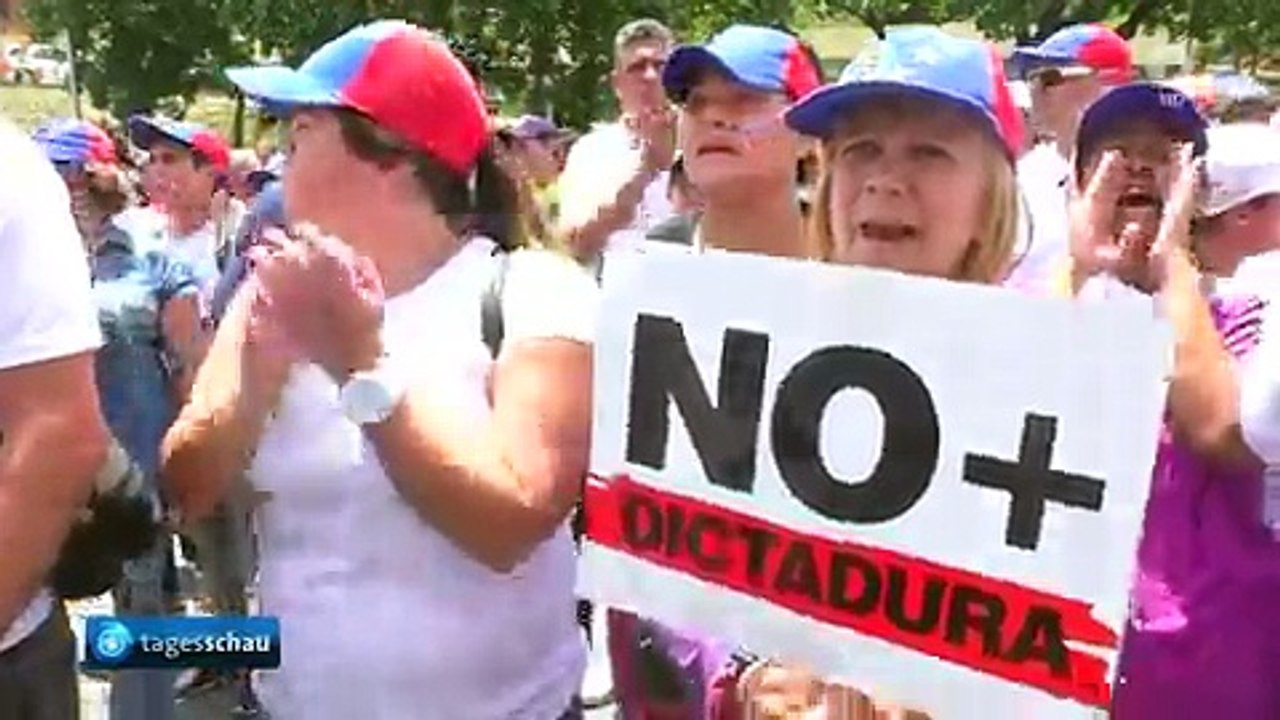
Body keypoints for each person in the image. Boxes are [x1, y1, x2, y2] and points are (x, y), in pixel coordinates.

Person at [162, 20, 594, 719]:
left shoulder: (535, 291)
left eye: (302, 130)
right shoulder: (271, 289)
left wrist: (357, 365)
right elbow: (187, 490)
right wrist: (253, 380)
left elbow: (510, 525)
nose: (276, 155)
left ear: (393, 156)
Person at [778, 26, 1024, 719]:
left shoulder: (1050, 386)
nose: (885, 178)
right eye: (860, 150)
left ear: (990, 202)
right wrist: (749, 678)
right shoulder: (754, 354)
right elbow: (693, 596)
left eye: (929, 152)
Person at [602, 24, 824, 719]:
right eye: (696, 102)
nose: (715, 117)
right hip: (659, 665)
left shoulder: (864, 282)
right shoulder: (638, 275)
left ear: (811, 135)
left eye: (748, 98)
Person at [1065, 110, 1280, 717]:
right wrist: (1088, 269)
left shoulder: (1253, 316)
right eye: (1113, 155)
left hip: (1225, 680)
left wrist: (1168, 262)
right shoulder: (1037, 307)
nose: (1137, 167)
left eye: (1166, 157)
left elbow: (1225, 429)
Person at [33, 117, 207, 720]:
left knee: (144, 610)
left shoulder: (152, 258)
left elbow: (191, 373)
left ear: (96, 176)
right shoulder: (26, 258)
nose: (60, 181)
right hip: (43, 478)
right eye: (53, 168)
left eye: (68, 168)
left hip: (134, 470)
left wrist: (191, 464)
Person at [0, 119, 111, 719]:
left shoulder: (12, 177)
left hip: (12, 647)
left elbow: (60, 433)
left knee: (147, 595)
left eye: (78, 169)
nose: (74, 182)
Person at [1007, 24, 1134, 291]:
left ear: (1109, 84)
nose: (1036, 90)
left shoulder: (1156, 178)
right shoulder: (1022, 180)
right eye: (1030, 77)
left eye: (1050, 78)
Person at [559, 18, 677, 268]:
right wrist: (645, 171)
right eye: (637, 67)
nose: (650, 76)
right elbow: (574, 244)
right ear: (617, 83)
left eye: (660, 65)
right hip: (615, 296)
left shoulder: (702, 143)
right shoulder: (592, 151)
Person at [128, 115, 241, 289]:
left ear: (210, 171)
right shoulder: (138, 231)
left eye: (169, 159)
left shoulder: (235, 242)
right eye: (152, 159)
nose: (157, 170)